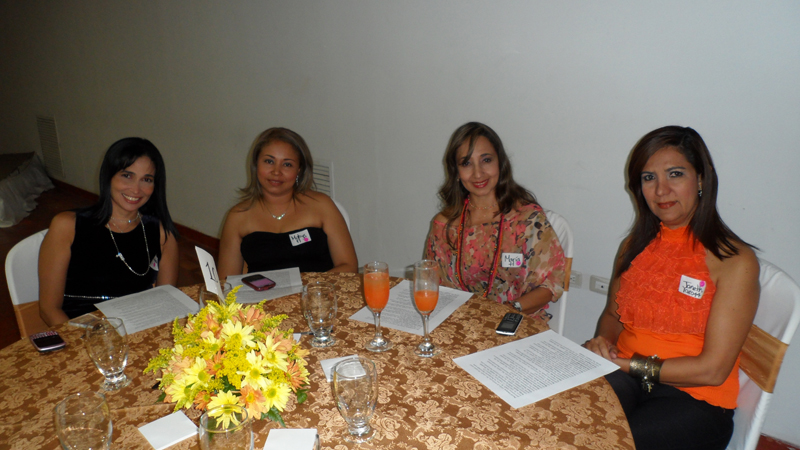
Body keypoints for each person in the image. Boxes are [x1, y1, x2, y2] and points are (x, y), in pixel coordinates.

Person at [585, 126, 760, 450]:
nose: (661, 190)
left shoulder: (735, 261)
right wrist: (603, 343)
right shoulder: (633, 246)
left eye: (675, 174)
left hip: (695, 398)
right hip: (626, 376)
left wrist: (628, 364)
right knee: (566, 416)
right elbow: (612, 315)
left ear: (702, 179)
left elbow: (712, 371)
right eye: (648, 178)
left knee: (612, 443)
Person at [424, 122, 566, 320]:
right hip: (459, 323)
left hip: (514, 321)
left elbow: (553, 283)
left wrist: (507, 311)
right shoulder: (444, 226)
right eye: (466, 163)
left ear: (501, 163)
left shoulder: (527, 220)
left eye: (486, 160)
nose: (478, 173)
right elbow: (431, 285)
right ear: (455, 172)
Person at [39, 138, 179, 326]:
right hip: (79, 330)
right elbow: (49, 309)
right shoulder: (67, 226)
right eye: (127, 176)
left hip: (135, 330)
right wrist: (87, 340)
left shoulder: (162, 234)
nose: (136, 189)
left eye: (146, 179)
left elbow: (164, 304)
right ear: (108, 176)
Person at [218, 127, 357, 281]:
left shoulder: (322, 205)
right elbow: (226, 283)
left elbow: (349, 266)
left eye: (287, 164)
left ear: (299, 170)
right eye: (269, 161)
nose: (276, 171)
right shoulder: (238, 217)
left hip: (320, 292)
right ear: (256, 164)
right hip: (263, 295)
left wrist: (307, 287)